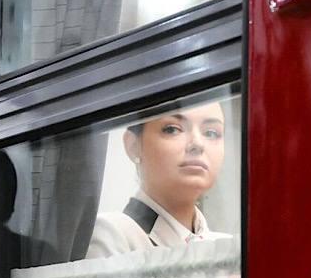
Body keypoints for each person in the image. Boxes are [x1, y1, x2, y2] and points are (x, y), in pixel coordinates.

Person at [86, 99, 229, 258]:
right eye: (172, 129)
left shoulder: (230, 247)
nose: (198, 144)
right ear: (133, 145)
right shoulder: (112, 235)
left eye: (211, 133)